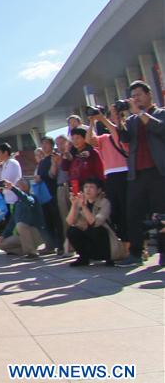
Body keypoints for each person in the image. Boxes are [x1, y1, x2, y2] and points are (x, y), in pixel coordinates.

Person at [115, 81, 165, 267]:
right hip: (137, 173)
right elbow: (125, 140)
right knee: (134, 214)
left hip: (158, 171)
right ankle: (135, 253)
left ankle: (163, 252)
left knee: (162, 215)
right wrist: (119, 120)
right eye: (133, 96)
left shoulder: (160, 113)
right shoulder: (133, 120)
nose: (136, 99)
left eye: (139, 95)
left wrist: (140, 113)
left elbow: (161, 129)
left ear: (149, 94)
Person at [87, 106, 130, 241]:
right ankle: (123, 241)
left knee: (126, 208)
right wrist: (92, 121)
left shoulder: (124, 134)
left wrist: (102, 118)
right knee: (115, 210)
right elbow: (89, 140)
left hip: (124, 173)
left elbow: (116, 131)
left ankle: (136, 243)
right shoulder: (104, 138)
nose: (112, 119)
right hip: (110, 176)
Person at [65, 179, 127, 266]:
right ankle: (84, 257)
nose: (88, 190)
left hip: (104, 239)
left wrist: (83, 206)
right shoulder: (80, 201)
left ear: (98, 190)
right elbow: (69, 222)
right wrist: (74, 204)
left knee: (97, 229)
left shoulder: (104, 202)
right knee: (72, 231)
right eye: (86, 187)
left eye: (91, 187)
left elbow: (96, 222)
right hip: (89, 239)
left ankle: (107, 257)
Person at [0, 180, 45, 258]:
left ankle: (32, 253)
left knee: (20, 224)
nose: (16, 188)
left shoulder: (32, 198)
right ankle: (25, 250)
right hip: (23, 236)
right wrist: (3, 236)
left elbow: (27, 200)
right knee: (0, 243)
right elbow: (12, 223)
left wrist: (13, 188)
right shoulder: (17, 203)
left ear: (25, 187)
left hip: (35, 233)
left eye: (18, 186)